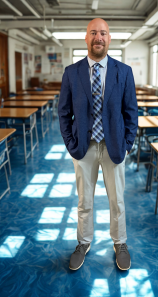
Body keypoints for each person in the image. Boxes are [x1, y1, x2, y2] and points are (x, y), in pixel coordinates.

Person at [58, 18, 138, 271]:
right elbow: (63, 112)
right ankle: (83, 242)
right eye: (93, 32)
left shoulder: (123, 71)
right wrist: (71, 144)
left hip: (114, 145)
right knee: (85, 201)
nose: (98, 37)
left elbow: (131, 112)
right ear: (86, 38)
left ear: (109, 38)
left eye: (103, 33)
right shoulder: (72, 72)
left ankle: (120, 243)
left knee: (117, 201)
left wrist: (127, 143)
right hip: (84, 147)